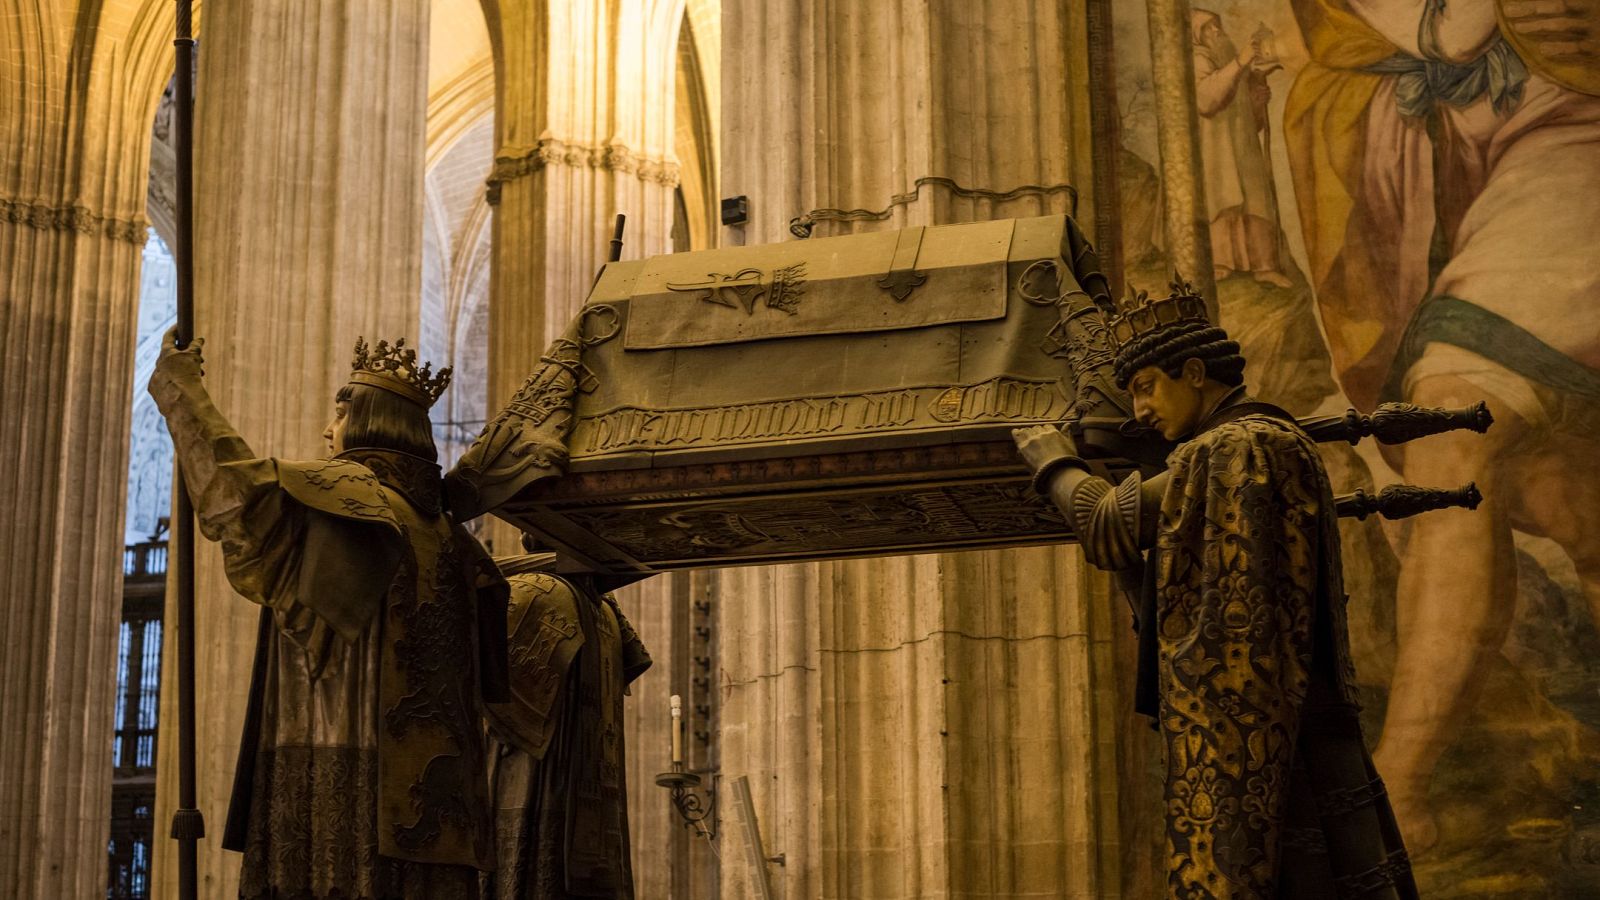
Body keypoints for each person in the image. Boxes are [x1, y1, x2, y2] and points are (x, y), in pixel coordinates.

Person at [1284, 0, 1600, 850]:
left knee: (1453, 429)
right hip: (1516, 170)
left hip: (1571, 162)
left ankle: (1399, 790)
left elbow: (1453, 31)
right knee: (1567, 494)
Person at [1013, 284, 1416, 899]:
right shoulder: (1254, 448)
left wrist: (1052, 461)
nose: (1140, 409)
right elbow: (1160, 603)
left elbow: (1102, 523)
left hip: (1261, 740)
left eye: (1146, 386)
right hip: (1293, 723)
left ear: (1195, 372)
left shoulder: (1238, 445)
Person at [148, 330, 509, 899]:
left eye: (340, 415)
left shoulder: (345, 502)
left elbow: (233, 490)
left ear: (372, 423)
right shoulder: (460, 546)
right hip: (438, 810)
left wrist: (180, 388)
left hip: (340, 778)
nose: (326, 430)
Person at [483, 550, 652, 900]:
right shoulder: (606, 611)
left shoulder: (537, 591)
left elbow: (484, 684)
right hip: (588, 794)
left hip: (538, 774)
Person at [1193, 9, 1293, 288]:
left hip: (1241, 145)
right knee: (1224, 201)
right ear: (1195, 35)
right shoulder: (1198, 59)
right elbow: (1206, 100)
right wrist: (1240, 62)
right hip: (1218, 148)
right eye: (1207, 28)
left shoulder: (1227, 60)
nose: (1216, 32)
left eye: (1217, 26)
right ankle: (1221, 263)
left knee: (1256, 200)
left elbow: (1246, 114)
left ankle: (1264, 266)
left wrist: (1257, 98)